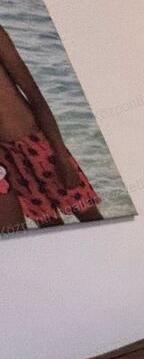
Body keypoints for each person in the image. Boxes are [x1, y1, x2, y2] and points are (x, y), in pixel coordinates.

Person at [0, 24, 102, 235]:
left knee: (90, 218)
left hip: (39, 145)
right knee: (48, 229)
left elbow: (34, 94)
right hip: (7, 159)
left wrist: (62, 156)